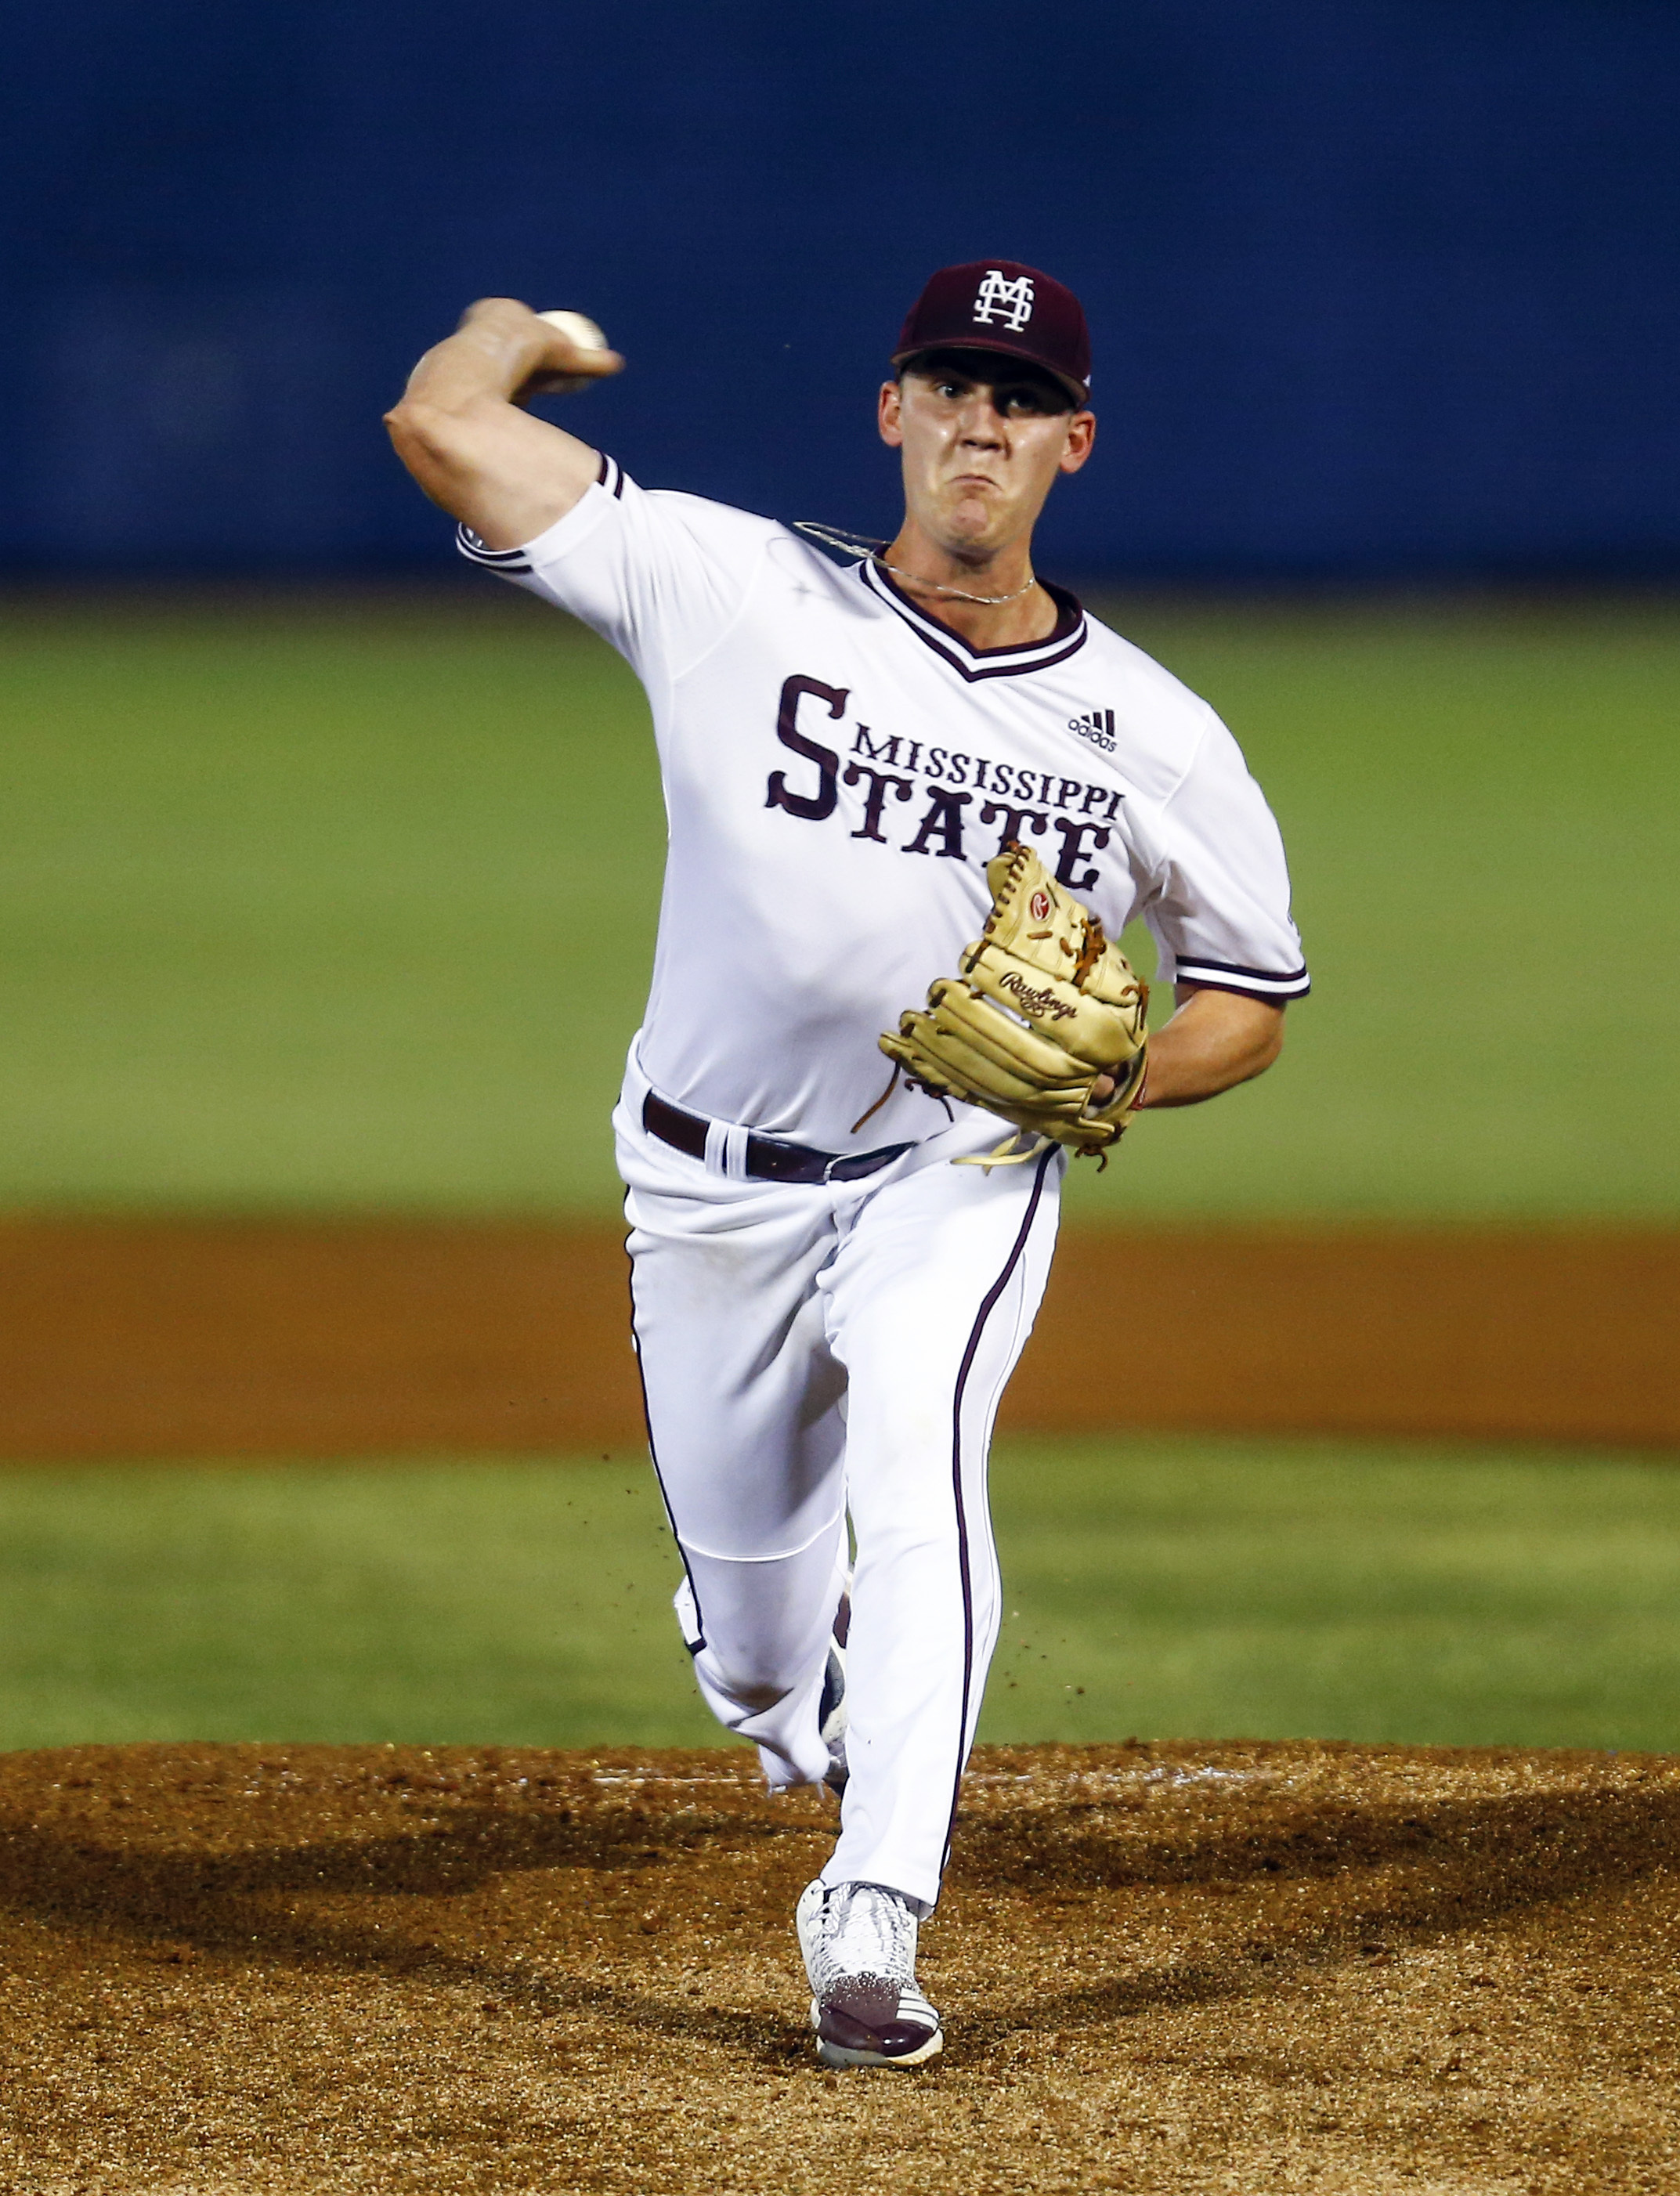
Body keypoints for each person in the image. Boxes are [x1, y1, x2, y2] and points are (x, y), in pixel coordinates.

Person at [385, 261, 1308, 2069]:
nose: (981, 420)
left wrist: (1106, 1070)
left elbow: (1253, 1001)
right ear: (890, 413)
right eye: (948, 385)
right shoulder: (732, 585)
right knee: (751, 1658)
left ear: (1072, 444)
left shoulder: (1156, 734)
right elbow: (439, 422)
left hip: (949, 1173)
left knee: (920, 1458)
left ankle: (870, 1909)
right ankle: (781, 1684)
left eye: (1019, 396)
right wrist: (515, 329)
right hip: (702, 1189)